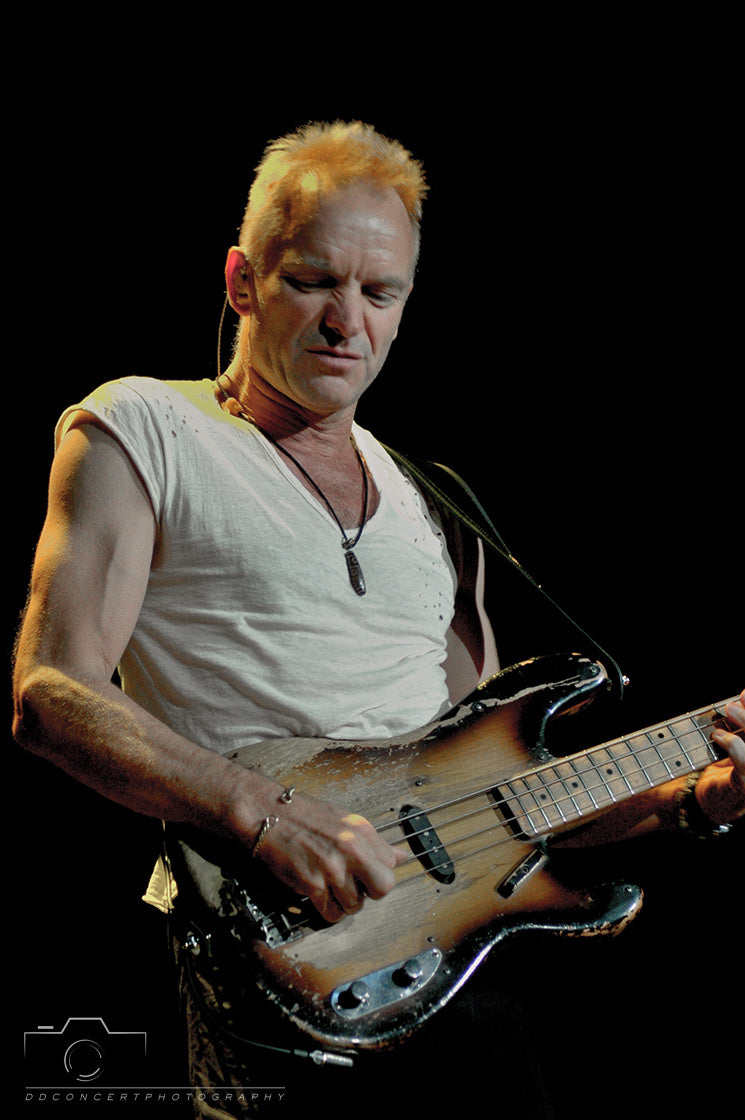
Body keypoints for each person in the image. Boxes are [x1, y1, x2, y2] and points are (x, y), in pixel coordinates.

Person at [12, 121, 745, 1119]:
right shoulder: (146, 425)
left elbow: (491, 808)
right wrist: (264, 814)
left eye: (379, 292)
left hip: (452, 985)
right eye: (313, 280)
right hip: (269, 961)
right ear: (241, 282)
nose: (344, 321)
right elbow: (52, 691)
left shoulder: (430, 500)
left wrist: (692, 795)